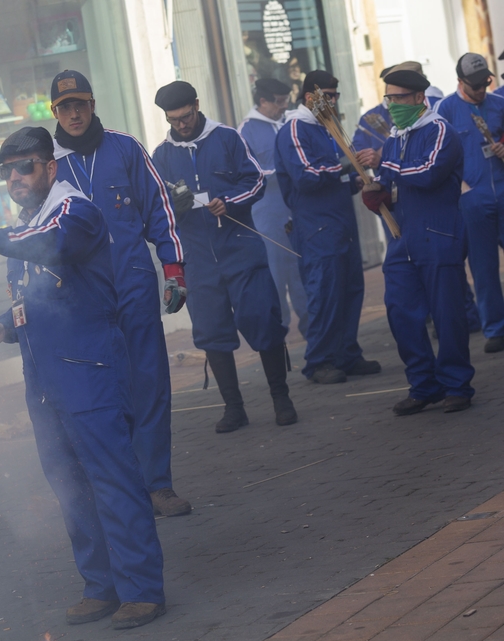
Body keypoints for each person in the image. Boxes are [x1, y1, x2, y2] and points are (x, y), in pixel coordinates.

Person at [0, 127, 166, 630]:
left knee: (114, 480)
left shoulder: (73, 211)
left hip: (88, 371)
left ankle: (141, 589)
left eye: (25, 166)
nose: (15, 178)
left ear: (50, 167)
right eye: (8, 170)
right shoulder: (29, 221)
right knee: (70, 487)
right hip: (47, 379)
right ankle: (100, 586)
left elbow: (54, 246)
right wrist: (2, 327)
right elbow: (38, 293)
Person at [47, 70, 190, 517]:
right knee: (101, 391)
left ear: (92, 104)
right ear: (54, 112)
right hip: (79, 297)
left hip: (131, 284)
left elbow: (159, 209)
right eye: (64, 107)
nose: (74, 113)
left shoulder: (125, 148)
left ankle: (158, 485)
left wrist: (173, 268)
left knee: (148, 382)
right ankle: (119, 489)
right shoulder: (45, 164)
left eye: (80, 104)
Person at [151, 81, 295, 433]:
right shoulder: (161, 155)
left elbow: (256, 181)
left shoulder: (227, 137)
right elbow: (157, 207)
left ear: (197, 105)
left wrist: (228, 200)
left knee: (263, 318)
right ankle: (234, 407)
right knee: (211, 330)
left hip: (240, 247)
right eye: (174, 120)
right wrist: (175, 206)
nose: (182, 125)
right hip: (198, 256)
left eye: (186, 116)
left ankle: (282, 398)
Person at [362, 69, 474, 415]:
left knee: (447, 314)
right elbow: (392, 183)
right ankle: (424, 384)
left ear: (416, 98)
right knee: (399, 311)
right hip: (403, 238)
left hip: (439, 234)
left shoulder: (441, 131)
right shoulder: (396, 137)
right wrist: (375, 191)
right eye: (388, 99)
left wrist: (386, 164)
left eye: (397, 98)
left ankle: (457, 384)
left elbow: (427, 174)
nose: (391, 106)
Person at [274, 70, 382, 384]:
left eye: (335, 95)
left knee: (350, 289)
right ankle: (319, 360)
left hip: (341, 221)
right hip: (316, 227)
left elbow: (339, 178)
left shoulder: (328, 127)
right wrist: (347, 165)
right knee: (325, 293)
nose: (333, 101)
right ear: (310, 97)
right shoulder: (295, 127)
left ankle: (347, 354)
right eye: (328, 96)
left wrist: (360, 177)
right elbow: (306, 176)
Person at [436, 53, 504, 354]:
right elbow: (437, 155)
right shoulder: (445, 110)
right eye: (476, 85)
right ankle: (496, 328)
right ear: (460, 82)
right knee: (484, 266)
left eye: (486, 83)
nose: (481, 89)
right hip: (473, 199)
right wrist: (460, 189)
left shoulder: (499, 104)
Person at [239, 77, 310, 340]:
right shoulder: (246, 130)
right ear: (263, 101)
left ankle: (315, 335)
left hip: (296, 207)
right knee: (277, 276)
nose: (283, 107)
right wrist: (284, 171)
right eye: (279, 102)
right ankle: (278, 339)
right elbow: (249, 173)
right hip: (268, 212)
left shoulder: (290, 121)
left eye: (286, 101)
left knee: (302, 272)